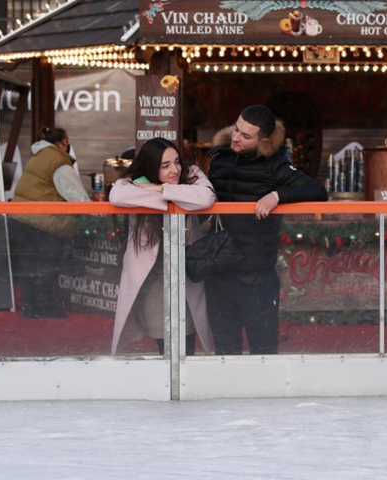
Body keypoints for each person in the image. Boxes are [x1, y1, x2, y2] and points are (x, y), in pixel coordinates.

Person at [206, 105, 327, 355]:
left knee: (263, 350)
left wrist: (277, 195)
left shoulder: (275, 165)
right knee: (224, 351)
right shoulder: (219, 156)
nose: (236, 138)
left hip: (256, 274)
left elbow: (318, 191)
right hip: (219, 270)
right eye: (236, 130)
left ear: (263, 141)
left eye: (246, 136)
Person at [108, 137, 216, 355]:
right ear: (150, 166)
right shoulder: (130, 182)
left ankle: (184, 385)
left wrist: (160, 189)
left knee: (187, 338)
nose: (175, 169)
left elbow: (206, 198)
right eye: (165, 166)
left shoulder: (191, 173)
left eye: (176, 162)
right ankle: (170, 386)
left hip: (188, 271)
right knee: (165, 342)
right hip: (152, 276)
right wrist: (178, 199)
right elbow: (117, 196)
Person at [8, 127, 90, 319]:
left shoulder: (39, 156)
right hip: (43, 222)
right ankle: (45, 308)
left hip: (21, 217)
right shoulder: (58, 161)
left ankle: (30, 307)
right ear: (62, 142)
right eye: (67, 141)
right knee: (47, 265)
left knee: (28, 265)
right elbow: (74, 193)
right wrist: (95, 210)